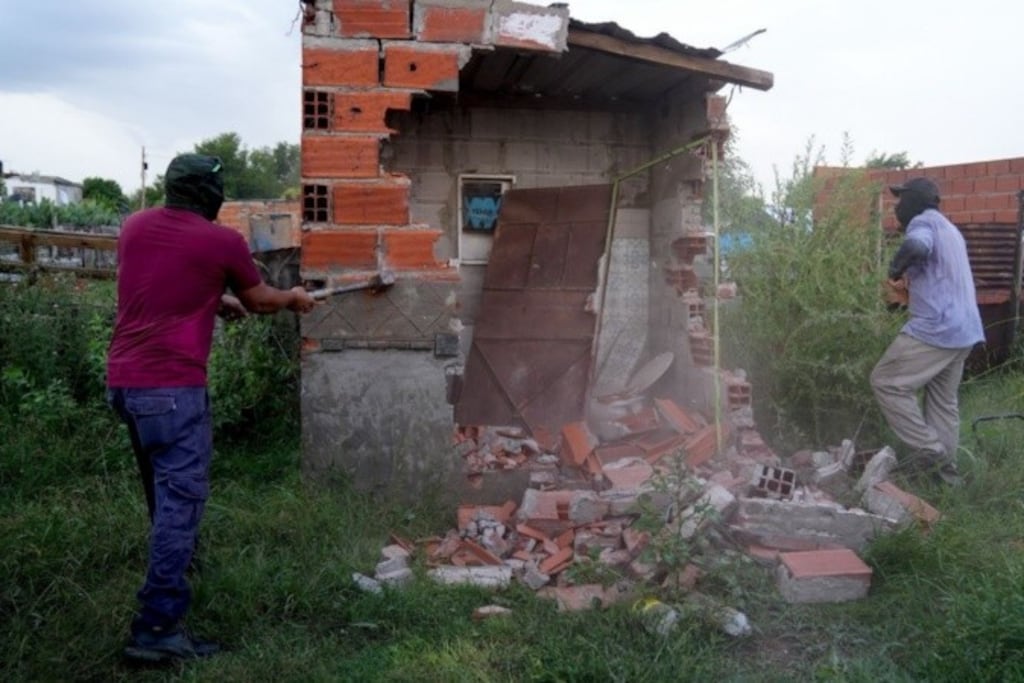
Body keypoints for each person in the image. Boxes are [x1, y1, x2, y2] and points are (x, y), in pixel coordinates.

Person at [106, 153, 316, 663]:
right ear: (210, 195)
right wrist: (293, 298)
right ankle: (156, 628)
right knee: (181, 503)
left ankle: (175, 568)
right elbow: (262, 299)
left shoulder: (134, 226)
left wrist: (214, 300)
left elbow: (157, 287)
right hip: (173, 389)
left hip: (124, 384)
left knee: (163, 493)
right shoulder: (221, 240)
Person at [870, 177, 984, 486]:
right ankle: (945, 477)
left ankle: (930, 452)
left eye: (901, 200)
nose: (897, 206)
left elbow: (917, 246)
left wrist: (895, 267)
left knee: (886, 382)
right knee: (942, 403)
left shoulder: (922, 223)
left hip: (938, 327)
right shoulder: (950, 229)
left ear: (917, 201)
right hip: (966, 330)